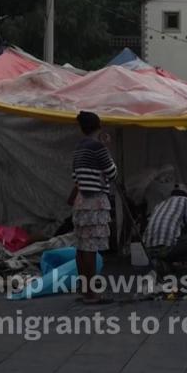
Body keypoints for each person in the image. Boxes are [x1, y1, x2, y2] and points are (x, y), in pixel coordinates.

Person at [67, 111, 117, 304]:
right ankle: (91, 293)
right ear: (99, 126)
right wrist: (106, 148)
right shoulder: (97, 147)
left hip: (81, 201)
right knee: (90, 248)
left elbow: (75, 177)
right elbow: (112, 172)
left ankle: (84, 289)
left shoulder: (79, 148)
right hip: (94, 201)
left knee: (81, 246)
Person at [143, 185, 187, 272]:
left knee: (180, 239)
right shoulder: (185, 201)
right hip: (166, 248)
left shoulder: (160, 204)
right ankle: (179, 264)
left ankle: (163, 263)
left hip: (148, 249)